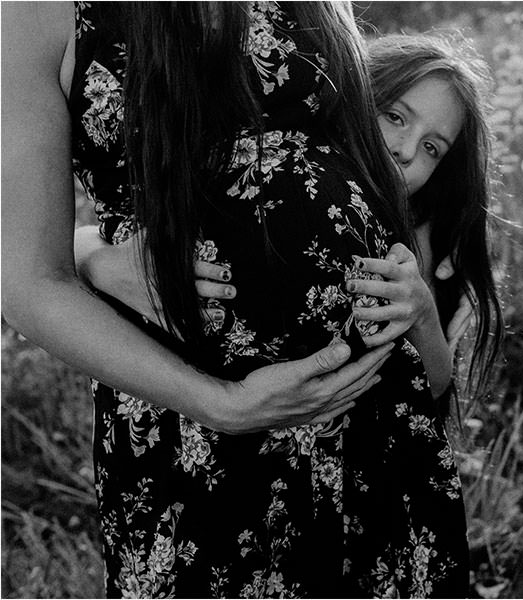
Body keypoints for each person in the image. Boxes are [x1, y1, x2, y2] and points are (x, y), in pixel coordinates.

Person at [2, 3, 473, 597]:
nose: (412, 148)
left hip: (369, 419)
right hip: (192, 423)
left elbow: (348, 165)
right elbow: (25, 280)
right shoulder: (32, 12)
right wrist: (222, 403)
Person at [75, 33, 505, 419]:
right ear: (354, 96)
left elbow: (430, 391)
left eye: (432, 147)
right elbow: (78, 249)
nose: (407, 150)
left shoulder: (412, 246)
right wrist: (96, 261)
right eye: (394, 116)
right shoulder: (258, 164)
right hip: (188, 435)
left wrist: (425, 314)